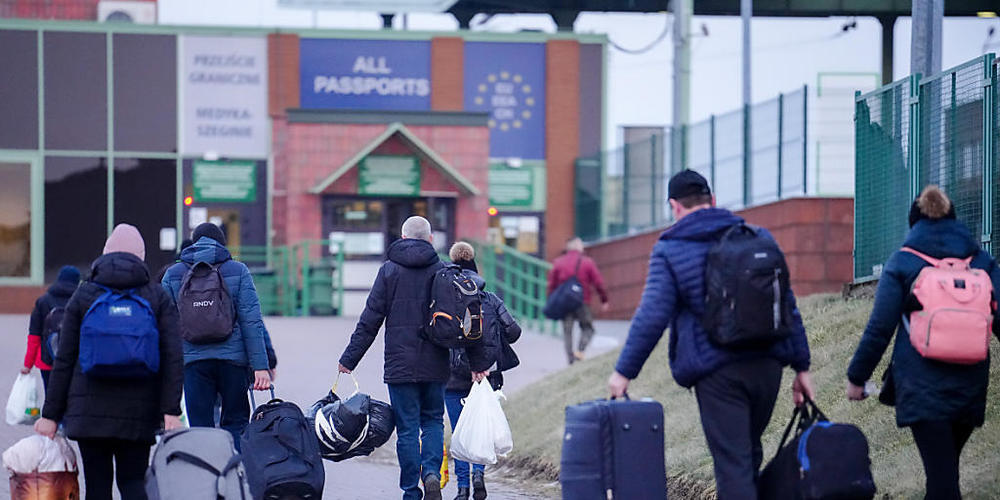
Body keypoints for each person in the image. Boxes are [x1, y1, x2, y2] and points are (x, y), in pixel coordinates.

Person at [607, 170, 814, 499]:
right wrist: (802, 367)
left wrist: (623, 373)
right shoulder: (757, 236)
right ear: (713, 201)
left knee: (733, 465)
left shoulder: (671, 247)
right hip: (767, 366)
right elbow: (787, 303)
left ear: (674, 206)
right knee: (749, 454)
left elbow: (652, 315)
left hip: (719, 373)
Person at [846, 185, 1000, 500]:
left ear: (913, 223)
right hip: (970, 384)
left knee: (942, 480)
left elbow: (880, 328)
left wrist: (856, 378)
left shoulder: (903, 262)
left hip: (921, 386)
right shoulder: (982, 261)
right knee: (944, 474)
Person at [35, 224, 184, 500]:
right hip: (139, 413)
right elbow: (173, 357)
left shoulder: (84, 294)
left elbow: (63, 358)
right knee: (132, 483)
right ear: (141, 257)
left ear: (104, 253)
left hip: (88, 411)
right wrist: (170, 410)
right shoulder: (156, 296)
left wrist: (50, 415)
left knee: (98, 487)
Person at [338, 216, 451, 500]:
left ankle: (411, 491)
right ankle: (432, 474)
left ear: (402, 238)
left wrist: (349, 359)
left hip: (400, 364)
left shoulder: (388, 271)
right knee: (434, 421)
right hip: (436, 360)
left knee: (408, 429)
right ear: (430, 239)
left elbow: (370, 320)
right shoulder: (442, 270)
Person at [161, 223, 271, 450]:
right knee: (236, 423)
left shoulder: (174, 274)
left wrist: (166, 373)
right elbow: (251, 321)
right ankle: (236, 477)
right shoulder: (238, 270)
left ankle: (206, 479)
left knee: (201, 429)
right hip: (233, 363)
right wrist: (261, 366)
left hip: (194, 362)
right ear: (222, 243)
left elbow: (164, 327)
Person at [445, 242, 522, 500]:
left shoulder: (446, 297)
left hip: (453, 377)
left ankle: (462, 488)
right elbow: (513, 332)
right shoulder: (491, 299)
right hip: (487, 377)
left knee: (460, 432)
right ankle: (479, 475)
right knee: (480, 428)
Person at [547, 237, 610, 364]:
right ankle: (580, 351)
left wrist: (551, 301)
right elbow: (599, 283)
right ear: (579, 246)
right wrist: (604, 300)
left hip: (564, 304)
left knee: (567, 332)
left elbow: (551, 285)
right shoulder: (588, 262)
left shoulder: (558, 262)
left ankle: (571, 360)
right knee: (588, 328)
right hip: (583, 302)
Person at [22, 265, 81, 391]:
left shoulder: (43, 301)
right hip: (72, 361)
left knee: (50, 397)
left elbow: (34, 336)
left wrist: (28, 364)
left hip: (46, 360)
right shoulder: (80, 301)